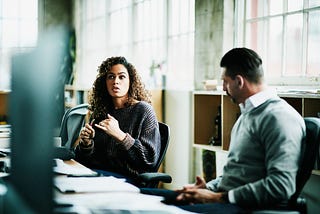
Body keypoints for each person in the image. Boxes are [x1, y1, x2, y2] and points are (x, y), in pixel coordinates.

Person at [141, 48, 306, 213]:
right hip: (224, 199)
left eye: (225, 82)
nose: (224, 88)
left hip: (242, 207)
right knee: (141, 195)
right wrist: (208, 187)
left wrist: (217, 197)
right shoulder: (248, 113)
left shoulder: (279, 118)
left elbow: (281, 186)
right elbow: (237, 173)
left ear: (239, 81)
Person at [74, 56, 161, 185]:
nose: (116, 81)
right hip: (98, 176)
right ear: (104, 82)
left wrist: (120, 135)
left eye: (122, 77)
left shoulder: (144, 111)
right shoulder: (100, 113)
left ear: (131, 81)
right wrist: (86, 144)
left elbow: (149, 160)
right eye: (111, 76)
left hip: (127, 181)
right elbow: (84, 160)